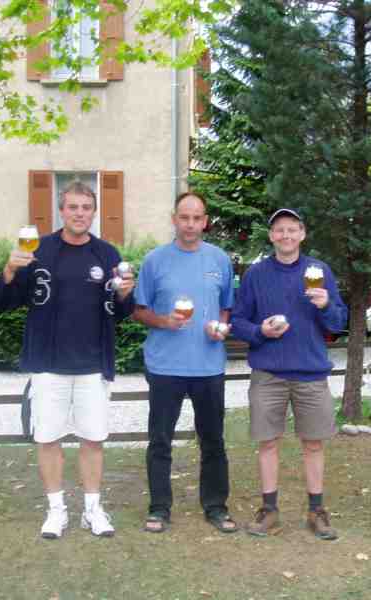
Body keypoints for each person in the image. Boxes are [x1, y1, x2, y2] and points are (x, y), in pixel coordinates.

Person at [0, 180, 135, 539]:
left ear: (94, 212)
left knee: (93, 440)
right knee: (48, 439)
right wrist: (9, 271)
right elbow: (6, 303)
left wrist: (125, 295)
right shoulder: (38, 250)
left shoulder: (107, 254)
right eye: (72, 207)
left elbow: (122, 312)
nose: (79, 214)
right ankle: (56, 511)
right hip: (47, 363)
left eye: (86, 208)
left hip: (92, 365)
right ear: (61, 210)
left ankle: (92, 510)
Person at [230, 208, 348, 540]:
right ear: (271, 236)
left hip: (310, 373)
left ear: (302, 233)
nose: (286, 235)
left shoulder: (319, 271)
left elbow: (338, 323)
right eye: (279, 230)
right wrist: (260, 332)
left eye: (292, 229)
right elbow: (238, 321)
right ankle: (269, 511)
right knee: (268, 443)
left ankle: (316, 511)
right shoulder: (256, 274)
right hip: (268, 373)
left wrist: (326, 304)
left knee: (313, 445)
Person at [133, 191, 238, 534]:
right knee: (160, 441)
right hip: (165, 366)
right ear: (174, 219)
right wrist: (164, 322)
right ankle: (159, 507)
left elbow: (226, 306)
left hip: (208, 365)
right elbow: (138, 309)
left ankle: (216, 507)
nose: (190, 224)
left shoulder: (219, 259)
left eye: (197, 218)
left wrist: (219, 327)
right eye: (184, 217)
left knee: (213, 440)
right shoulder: (154, 261)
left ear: (205, 221)